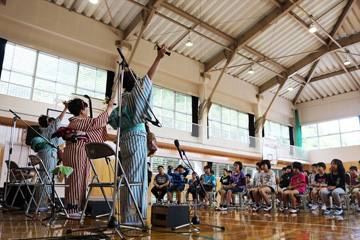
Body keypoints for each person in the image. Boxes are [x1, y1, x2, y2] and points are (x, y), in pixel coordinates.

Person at [108, 45, 167, 224]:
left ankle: (127, 214)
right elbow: (146, 82)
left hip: (124, 142)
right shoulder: (133, 96)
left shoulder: (121, 104)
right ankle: (133, 217)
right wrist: (158, 59)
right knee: (136, 179)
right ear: (133, 83)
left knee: (127, 178)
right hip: (136, 140)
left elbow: (111, 120)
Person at [62, 97, 114, 217]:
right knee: (76, 180)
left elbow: (93, 126)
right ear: (82, 110)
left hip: (75, 150)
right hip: (77, 151)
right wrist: (109, 108)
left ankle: (76, 208)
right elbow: (96, 123)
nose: (87, 112)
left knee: (77, 179)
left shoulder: (75, 122)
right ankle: (73, 210)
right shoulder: (77, 121)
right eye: (86, 109)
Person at [32, 103, 68, 210]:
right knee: (48, 178)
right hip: (49, 153)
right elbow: (58, 120)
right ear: (47, 122)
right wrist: (65, 108)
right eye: (49, 120)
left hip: (44, 153)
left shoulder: (43, 131)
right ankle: (44, 203)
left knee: (44, 177)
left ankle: (42, 202)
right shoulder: (48, 129)